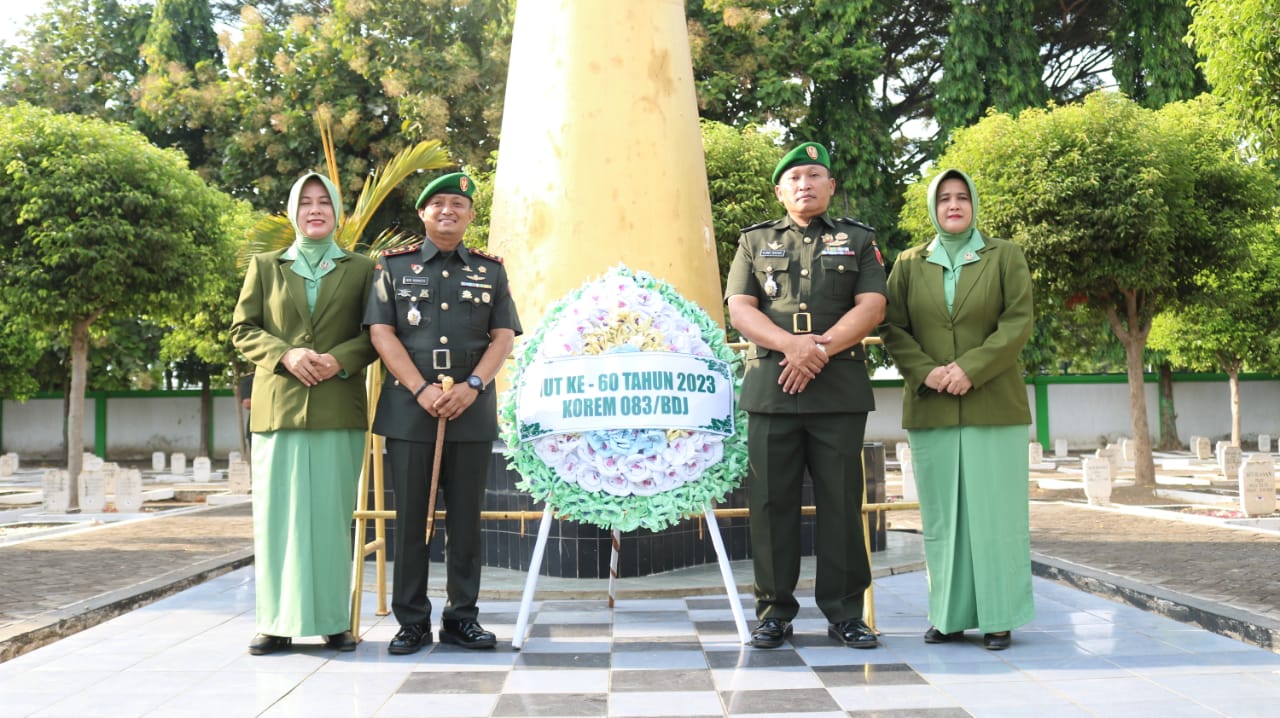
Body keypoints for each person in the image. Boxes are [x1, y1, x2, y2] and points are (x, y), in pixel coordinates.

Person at [723, 142, 887, 650]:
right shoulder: (754, 241)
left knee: (842, 504)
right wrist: (791, 346)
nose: (804, 185)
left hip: (837, 389)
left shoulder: (857, 239)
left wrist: (818, 349)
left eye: (815, 175)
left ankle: (846, 614)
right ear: (780, 190)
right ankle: (774, 613)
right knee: (772, 504)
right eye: (794, 178)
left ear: (831, 185)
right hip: (773, 388)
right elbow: (739, 307)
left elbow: (874, 304)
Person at [364, 172, 521, 654]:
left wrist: (474, 385)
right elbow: (381, 332)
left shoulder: (490, 271)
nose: (448, 211)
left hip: (470, 411)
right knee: (412, 519)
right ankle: (411, 620)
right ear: (423, 214)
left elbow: (503, 336)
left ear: (471, 214)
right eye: (439, 204)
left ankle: (462, 617)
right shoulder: (394, 267)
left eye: (458, 204)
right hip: (412, 411)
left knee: (467, 522)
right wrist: (420, 388)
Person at [880, 169, 1035, 651]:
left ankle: (998, 616)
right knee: (944, 517)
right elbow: (892, 327)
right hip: (932, 406)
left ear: (974, 204)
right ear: (933, 206)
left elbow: (1017, 322)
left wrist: (970, 368)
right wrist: (927, 372)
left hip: (994, 403)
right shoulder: (908, 263)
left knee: (996, 515)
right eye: (944, 198)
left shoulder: (1004, 256)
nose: (953, 205)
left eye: (962, 197)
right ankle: (947, 615)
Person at [230, 172, 378, 656]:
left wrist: (341, 359)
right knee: (277, 518)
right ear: (293, 211)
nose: (315, 210)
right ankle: (275, 623)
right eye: (305, 203)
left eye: (324, 203)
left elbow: (376, 332)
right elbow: (243, 329)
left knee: (332, 518)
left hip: (338, 406)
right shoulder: (267, 266)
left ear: (337, 211)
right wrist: (285, 354)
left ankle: (334, 621)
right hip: (278, 410)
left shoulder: (362, 269)